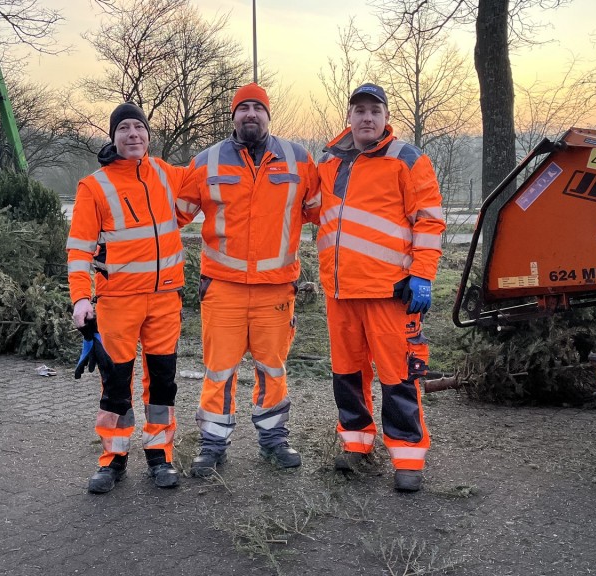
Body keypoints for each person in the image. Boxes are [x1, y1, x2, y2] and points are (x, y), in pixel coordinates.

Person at [176, 83, 320, 477]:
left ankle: (274, 442)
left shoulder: (298, 159)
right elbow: (173, 214)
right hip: (222, 288)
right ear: (233, 115)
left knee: (272, 370)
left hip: (276, 289)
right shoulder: (205, 162)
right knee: (219, 370)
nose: (251, 114)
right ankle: (211, 445)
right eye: (243, 108)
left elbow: (321, 213)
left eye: (258, 107)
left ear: (269, 115)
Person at [315, 83, 445, 492]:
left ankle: (407, 457)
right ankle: (357, 445)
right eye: (360, 111)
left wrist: (422, 274)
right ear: (349, 118)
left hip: (390, 293)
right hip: (340, 293)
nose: (367, 118)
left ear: (386, 117)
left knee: (397, 376)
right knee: (347, 375)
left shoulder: (407, 160)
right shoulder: (328, 164)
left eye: (375, 110)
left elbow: (429, 220)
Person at [66, 102, 187, 494]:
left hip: (165, 299)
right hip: (117, 302)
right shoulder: (94, 186)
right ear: (113, 137)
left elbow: (209, 183)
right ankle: (113, 460)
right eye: (124, 129)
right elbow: (79, 250)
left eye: (139, 127)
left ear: (148, 135)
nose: (133, 134)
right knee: (115, 384)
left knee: (163, 383)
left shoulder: (167, 175)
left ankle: (159, 455)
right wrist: (80, 299)